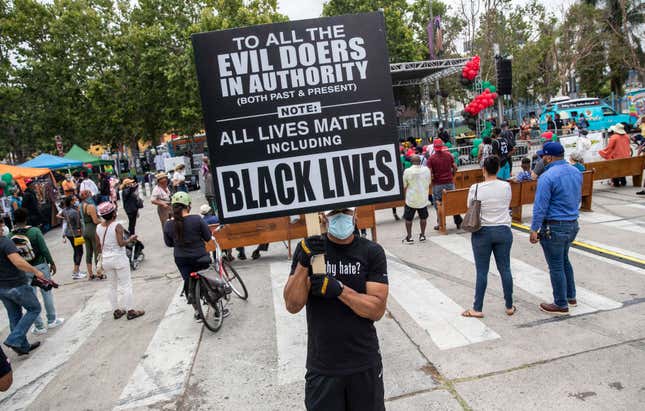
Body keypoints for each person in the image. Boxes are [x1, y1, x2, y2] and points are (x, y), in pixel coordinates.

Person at [283, 207, 389, 411]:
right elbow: (292, 305)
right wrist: (303, 265)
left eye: (346, 212)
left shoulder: (371, 251)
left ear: (356, 215)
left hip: (363, 362)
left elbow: (376, 309)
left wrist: (339, 290)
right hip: (323, 365)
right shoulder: (310, 250)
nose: (341, 216)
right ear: (323, 217)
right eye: (334, 213)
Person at [529, 142, 582, 315]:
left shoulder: (547, 177)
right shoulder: (576, 171)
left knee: (556, 266)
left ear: (549, 157)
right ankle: (570, 296)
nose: (541, 159)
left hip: (554, 226)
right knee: (564, 260)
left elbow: (540, 206)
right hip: (572, 223)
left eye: (543, 156)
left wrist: (534, 229)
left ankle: (560, 303)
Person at [462, 156, 515, 318]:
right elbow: (507, 204)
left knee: (482, 271)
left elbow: (469, 206)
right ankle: (509, 305)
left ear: (483, 169)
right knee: (505, 269)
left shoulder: (475, 188)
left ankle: (477, 308)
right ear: (498, 169)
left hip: (482, 232)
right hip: (503, 230)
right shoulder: (506, 186)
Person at [11, 207, 65, 334]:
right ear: (26, 218)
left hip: (24, 268)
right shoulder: (34, 231)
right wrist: (51, 262)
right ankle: (52, 320)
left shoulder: (10, 235)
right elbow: (44, 249)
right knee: (47, 293)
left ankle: (39, 326)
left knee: (31, 297)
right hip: (40, 265)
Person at [163, 192, 214, 317]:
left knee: (188, 281)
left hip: (181, 259)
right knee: (208, 279)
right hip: (200, 257)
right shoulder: (197, 219)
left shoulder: (168, 224)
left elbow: (169, 244)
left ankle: (197, 310)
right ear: (188, 206)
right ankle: (215, 306)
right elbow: (208, 237)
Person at [95, 202, 145, 321]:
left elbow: (98, 245)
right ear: (113, 214)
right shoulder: (117, 225)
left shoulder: (98, 227)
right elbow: (120, 243)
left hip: (106, 259)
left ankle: (116, 311)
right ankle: (130, 311)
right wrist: (130, 239)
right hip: (119, 258)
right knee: (126, 285)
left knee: (111, 286)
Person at [0, 232, 45, 355]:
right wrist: (35, 271)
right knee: (34, 308)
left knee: (14, 315)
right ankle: (14, 339)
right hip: (16, 284)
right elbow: (17, 261)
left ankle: (22, 346)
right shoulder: (5, 242)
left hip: (2, 288)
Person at [428, 139, 463, 230]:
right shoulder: (449, 155)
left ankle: (441, 224)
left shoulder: (431, 158)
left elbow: (430, 172)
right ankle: (458, 222)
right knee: (453, 202)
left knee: (438, 203)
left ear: (434, 147)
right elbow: (455, 167)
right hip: (449, 183)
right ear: (442, 146)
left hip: (438, 184)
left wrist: (432, 181)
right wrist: (453, 175)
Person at [402, 155, 431, 243]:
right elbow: (429, 182)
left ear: (411, 162)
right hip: (423, 198)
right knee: (423, 218)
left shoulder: (407, 171)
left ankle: (410, 237)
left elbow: (404, 185)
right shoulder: (426, 170)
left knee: (408, 219)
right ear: (420, 161)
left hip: (411, 198)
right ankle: (422, 235)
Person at [57, 196, 86, 280]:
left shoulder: (65, 210)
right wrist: (81, 232)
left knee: (75, 251)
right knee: (79, 252)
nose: (75, 201)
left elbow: (59, 216)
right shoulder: (74, 212)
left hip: (69, 233)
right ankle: (76, 272)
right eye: (74, 200)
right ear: (71, 202)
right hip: (76, 234)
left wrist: (65, 218)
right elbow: (78, 225)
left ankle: (76, 270)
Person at [80, 190, 103, 280]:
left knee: (88, 253)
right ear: (87, 195)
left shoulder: (80, 205)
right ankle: (99, 272)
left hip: (85, 230)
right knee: (97, 251)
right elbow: (95, 221)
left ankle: (90, 274)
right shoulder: (90, 206)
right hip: (93, 229)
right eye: (90, 193)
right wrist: (104, 221)